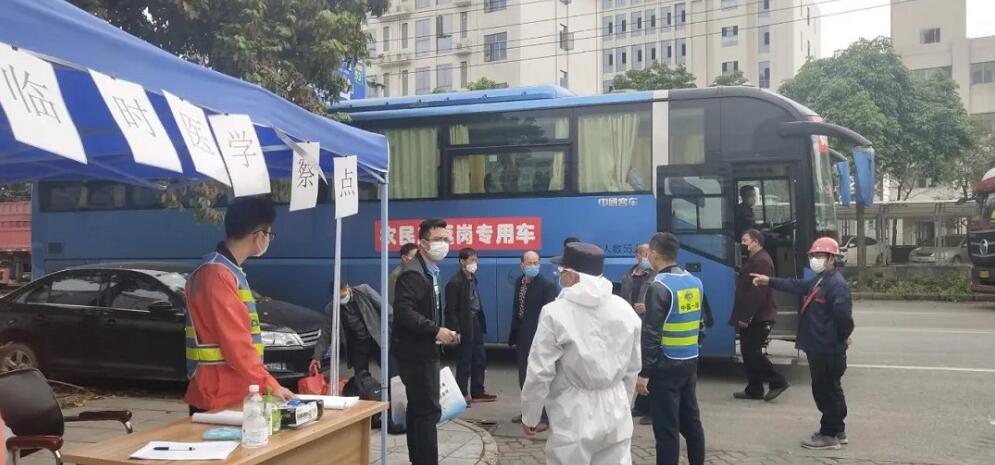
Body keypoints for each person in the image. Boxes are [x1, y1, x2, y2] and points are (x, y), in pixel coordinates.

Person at [521, 242, 642, 465]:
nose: (559, 276)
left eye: (561, 271)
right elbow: (633, 368)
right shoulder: (624, 309)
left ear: (571, 275)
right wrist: (624, 401)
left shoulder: (555, 313)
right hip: (616, 407)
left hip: (573, 411)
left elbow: (540, 371)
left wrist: (531, 415)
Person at [184, 196, 295, 415]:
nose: (268, 240)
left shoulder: (224, 271)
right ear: (259, 235)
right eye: (269, 234)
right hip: (219, 395)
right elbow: (236, 344)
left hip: (229, 390)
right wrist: (272, 386)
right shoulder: (217, 274)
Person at [751, 237, 854, 450]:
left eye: (820, 256)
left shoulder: (836, 285)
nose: (815, 259)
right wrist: (769, 281)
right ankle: (838, 430)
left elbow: (844, 318)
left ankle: (828, 435)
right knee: (832, 389)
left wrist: (844, 336)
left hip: (827, 348)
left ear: (832, 258)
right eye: (813, 256)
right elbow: (796, 285)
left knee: (825, 392)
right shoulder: (820, 280)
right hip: (819, 346)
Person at [636, 232, 707, 465]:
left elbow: (651, 333)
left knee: (666, 429)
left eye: (649, 253)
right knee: (692, 422)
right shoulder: (694, 282)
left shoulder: (659, 286)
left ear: (655, 255)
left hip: (665, 365)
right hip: (689, 360)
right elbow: (702, 324)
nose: (647, 257)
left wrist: (645, 372)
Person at [393, 218, 459, 465]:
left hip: (423, 350)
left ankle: (418, 460)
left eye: (446, 239)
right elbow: (404, 312)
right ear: (422, 243)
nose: (444, 244)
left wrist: (441, 332)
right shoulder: (413, 274)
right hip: (417, 354)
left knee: (418, 409)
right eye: (438, 239)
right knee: (428, 411)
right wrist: (435, 331)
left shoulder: (429, 271)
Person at [731, 229, 789, 401]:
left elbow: (758, 292)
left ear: (756, 242)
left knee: (752, 352)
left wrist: (746, 316)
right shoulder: (755, 259)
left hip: (759, 316)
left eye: (745, 240)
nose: (742, 244)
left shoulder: (761, 261)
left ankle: (778, 381)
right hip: (755, 316)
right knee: (748, 352)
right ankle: (754, 388)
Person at [508, 250, 558, 425]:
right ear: (522, 265)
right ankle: (527, 412)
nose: (533, 266)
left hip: (539, 336)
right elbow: (517, 308)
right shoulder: (519, 282)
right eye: (529, 263)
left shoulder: (547, 286)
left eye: (536, 262)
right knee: (524, 376)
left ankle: (543, 416)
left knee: (539, 377)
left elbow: (549, 315)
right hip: (522, 334)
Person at [445, 247, 497, 405]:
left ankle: (477, 391)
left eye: (476, 260)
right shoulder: (455, 282)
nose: (475, 263)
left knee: (479, 357)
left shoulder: (472, 278)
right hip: (464, 324)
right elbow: (451, 310)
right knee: (465, 359)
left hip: (475, 320)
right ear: (462, 261)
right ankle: (462, 393)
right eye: (471, 260)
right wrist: (456, 331)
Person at [312, 279, 392, 377]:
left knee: (391, 371)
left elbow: (386, 309)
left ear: (348, 288)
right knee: (361, 377)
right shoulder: (332, 308)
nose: (342, 300)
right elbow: (326, 333)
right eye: (338, 298)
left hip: (376, 338)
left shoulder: (364, 291)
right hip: (358, 344)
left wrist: (395, 330)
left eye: (343, 296)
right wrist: (317, 356)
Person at [619, 243, 657, 422]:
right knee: (636, 365)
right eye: (645, 254)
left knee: (650, 366)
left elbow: (660, 301)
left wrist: (648, 307)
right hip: (631, 325)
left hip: (648, 325)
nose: (648, 257)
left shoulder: (656, 276)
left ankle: (653, 410)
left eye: (650, 254)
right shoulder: (629, 275)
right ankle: (641, 405)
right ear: (637, 255)